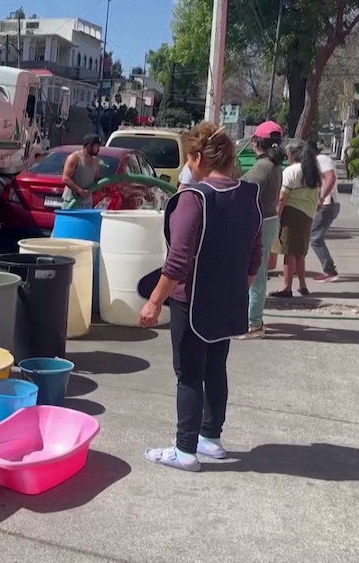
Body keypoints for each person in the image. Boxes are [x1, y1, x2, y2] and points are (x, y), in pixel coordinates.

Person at [139, 121, 262, 472]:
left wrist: (153, 302)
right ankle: (211, 437)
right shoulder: (249, 196)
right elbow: (255, 257)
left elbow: (177, 263)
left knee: (189, 375)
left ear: (196, 157)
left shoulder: (194, 200)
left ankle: (185, 450)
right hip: (229, 300)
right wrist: (237, 291)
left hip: (191, 302)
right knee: (215, 369)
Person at [237, 121, 285, 339]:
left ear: (255, 142)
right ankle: (253, 319)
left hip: (260, 223)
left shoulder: (262, 167)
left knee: (255, 274)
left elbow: (245, 193)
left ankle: (253, 323)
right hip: (269, 220)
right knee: (258, 272)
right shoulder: (273, 165)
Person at [270, 141, 322, 297]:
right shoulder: (313, 172)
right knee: (300, 252)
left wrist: (277, 216)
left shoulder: (291, 171)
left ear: (293, 154)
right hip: (308, 215)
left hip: (291, 214)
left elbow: (282, 198)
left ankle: (287, 287)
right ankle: (302, 284)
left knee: (289, 252)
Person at [309, 141, 340, 282]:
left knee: (315, 238)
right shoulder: (317, 162)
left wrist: (321, 198)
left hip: (327, 204)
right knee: (314, 236)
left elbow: (330, 178)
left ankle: (330, 271)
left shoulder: (321, 159)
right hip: (327, 204)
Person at [61, 134, 101, 209]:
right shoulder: (74, 158)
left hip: (87, 204)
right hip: (71, 203)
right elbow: (65, 178)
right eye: (97, 146)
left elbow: (97, 178)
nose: (98, 149)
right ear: (89, 146)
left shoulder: (95, 161)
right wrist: (79, 191)